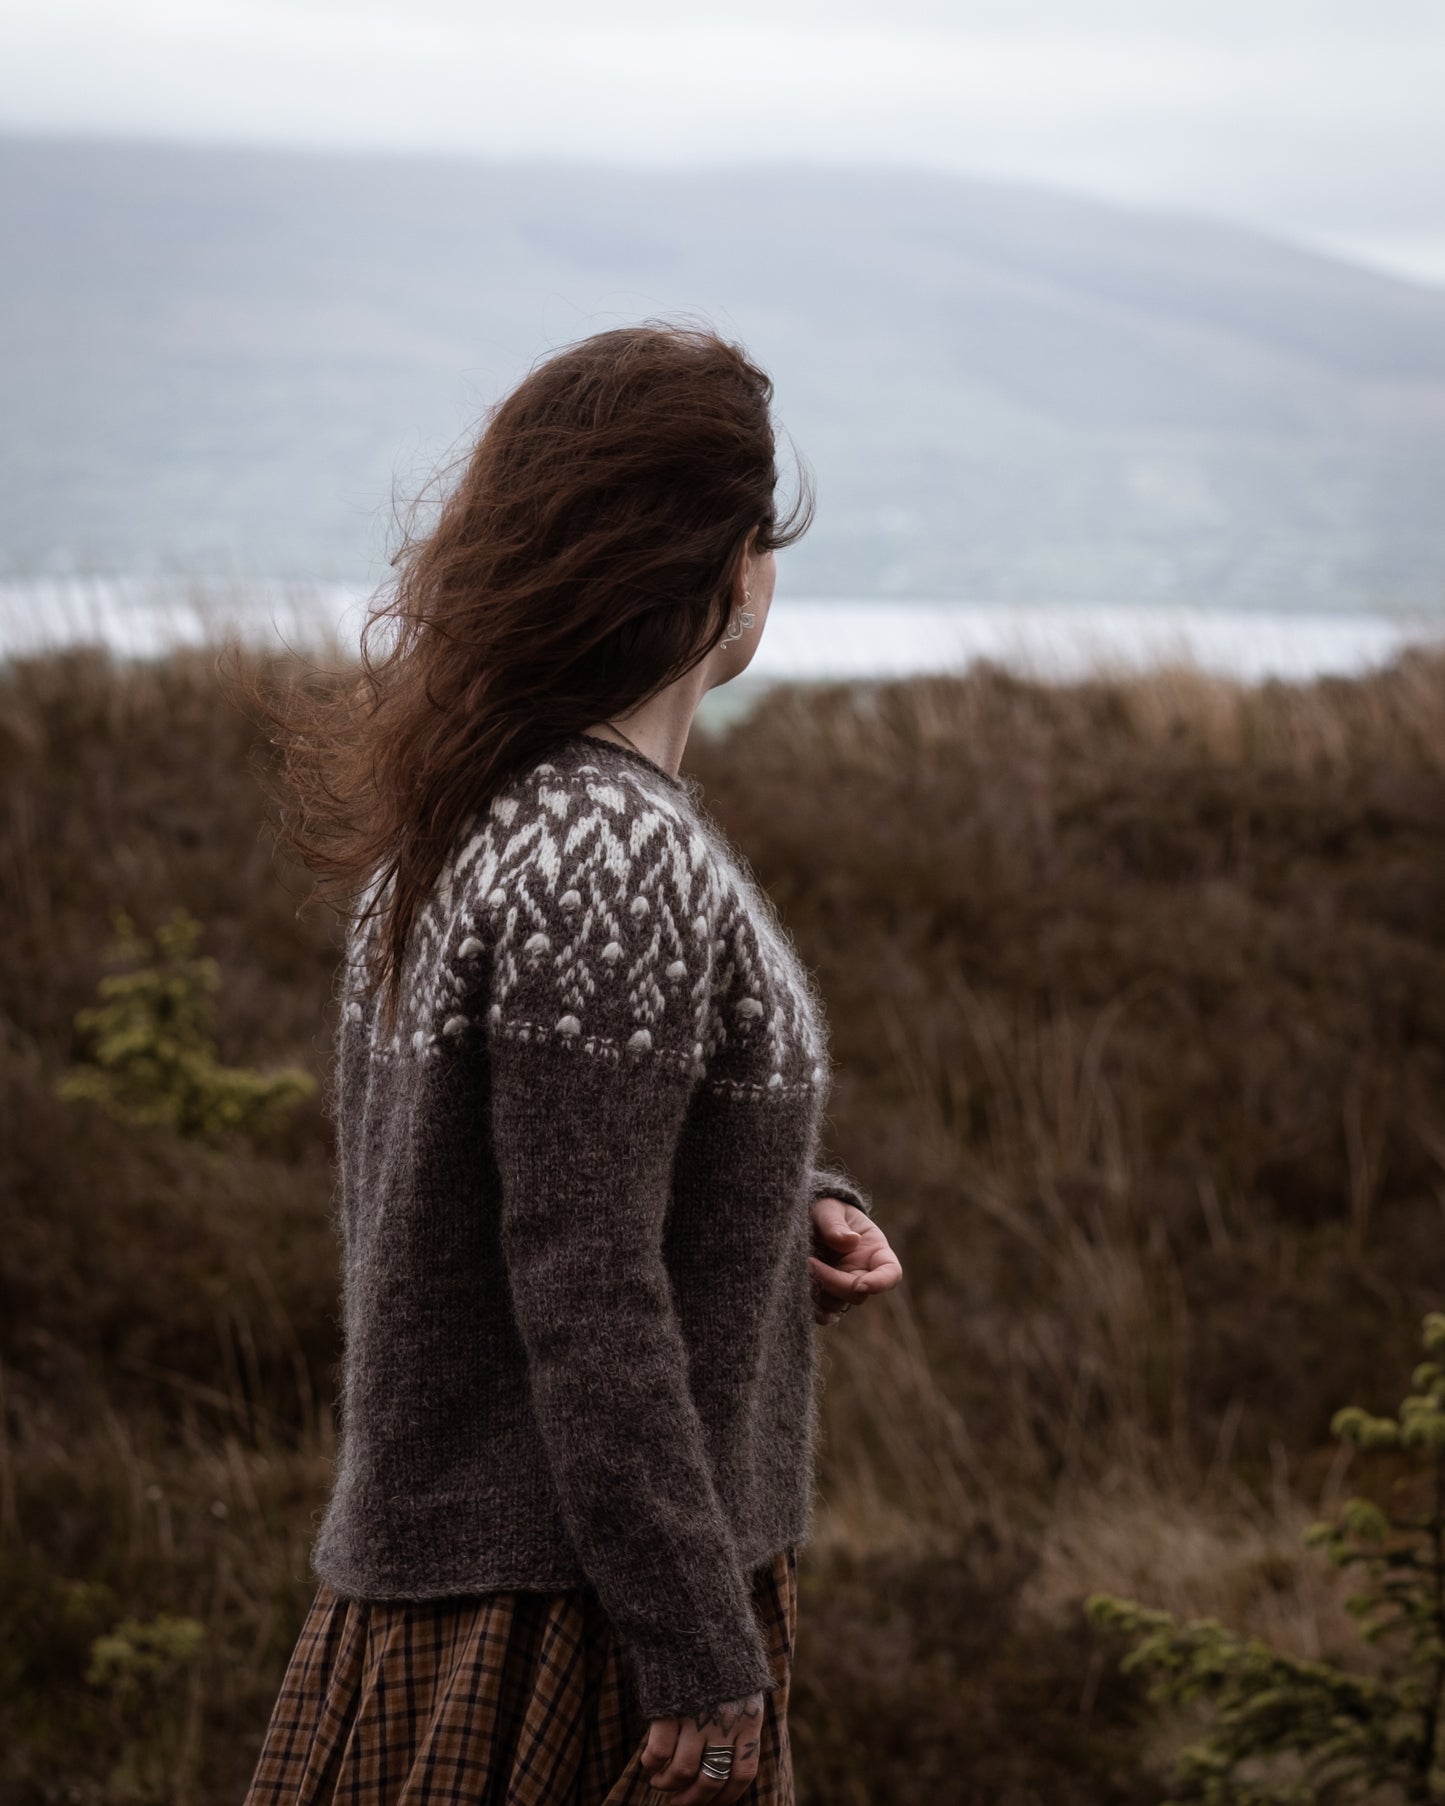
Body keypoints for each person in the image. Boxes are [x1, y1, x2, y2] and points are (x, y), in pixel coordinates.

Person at [241, 320, 904, 1805]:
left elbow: (525, 1172)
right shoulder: (612, 851)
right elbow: (584, 1275)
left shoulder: (472, 821)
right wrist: (693, 1641)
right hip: (571, 1613)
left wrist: (769, 1198)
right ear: (722, 569)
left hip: (466, 1581)